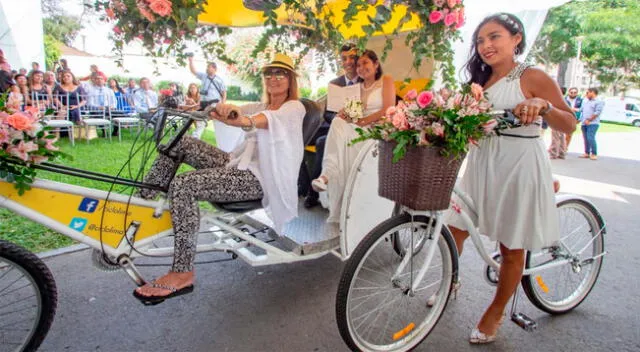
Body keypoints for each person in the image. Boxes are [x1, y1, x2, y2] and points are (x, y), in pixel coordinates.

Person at [446, 13, 576, 344]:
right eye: (480, 40)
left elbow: (569, 124)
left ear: (516, 38)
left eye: (494, 37)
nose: (485, 46)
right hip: (481, 163)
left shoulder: (532, 76)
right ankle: (450, 280)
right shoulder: (480, 79)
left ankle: (496, 310)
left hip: (519, 165)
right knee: (455, 229)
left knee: (511, 247)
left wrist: (543, 105)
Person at [133, 53, 305, 303]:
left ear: (290, 80)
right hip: (237, 165)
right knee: (180, 143)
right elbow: (237, 111)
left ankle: (182, 272)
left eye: (281, 74)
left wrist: (241, 119)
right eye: (269, 73)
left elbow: (259, 121)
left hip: (261, 179)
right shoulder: (262, 105)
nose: (274, 78)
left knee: (184, 184)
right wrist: (220, 108)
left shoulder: (293, 107)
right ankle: (140, 205)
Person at [312, 50, 395, 227]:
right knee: (337, 122)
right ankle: (327, 175)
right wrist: (345, 114)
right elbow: (354, 115)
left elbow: (388, 109)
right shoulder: (356, 88)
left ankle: (327, 174)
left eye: (365, 63)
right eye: (358, 65)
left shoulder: (386, 81)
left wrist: (362, 121)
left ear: (376, 64)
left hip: (377, 133)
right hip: (359, 130)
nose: (361, 67)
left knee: (341, 130)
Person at [302, 44, 361, 209]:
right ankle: (302, 183)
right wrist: (335, 116)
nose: (348, 62)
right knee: (301, 137)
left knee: (321, 142)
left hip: (353, 128)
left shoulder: (365, 82)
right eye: (344, 58)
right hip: (333, 125)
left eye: (352, 58)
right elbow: (327, 113)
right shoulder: (335, 83)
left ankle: (312, 194)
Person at [188, 57, 226, 138]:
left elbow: (224, 93)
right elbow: (193, 71)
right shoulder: (204, 76)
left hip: (214, 103)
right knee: (199, 120)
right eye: (207, 67)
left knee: (202, 117)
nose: (207, 68)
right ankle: (195, 137)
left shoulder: (220, 80)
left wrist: (223, 104)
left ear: (214, 68)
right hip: (203, 104)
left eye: (208, 67)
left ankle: (197, 134)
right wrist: (191, 61)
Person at [578, 87, 603, 160]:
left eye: (587, 92)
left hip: (593, 123)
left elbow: (597, 112)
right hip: (584, 122)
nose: (586, 94)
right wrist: (580, 119)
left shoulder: (599, 101)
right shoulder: (586, 101)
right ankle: (586, 152)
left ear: (592, 92)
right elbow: (582, 111)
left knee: (590, 137)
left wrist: (589, 120)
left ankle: (594, 153)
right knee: (585, 138)